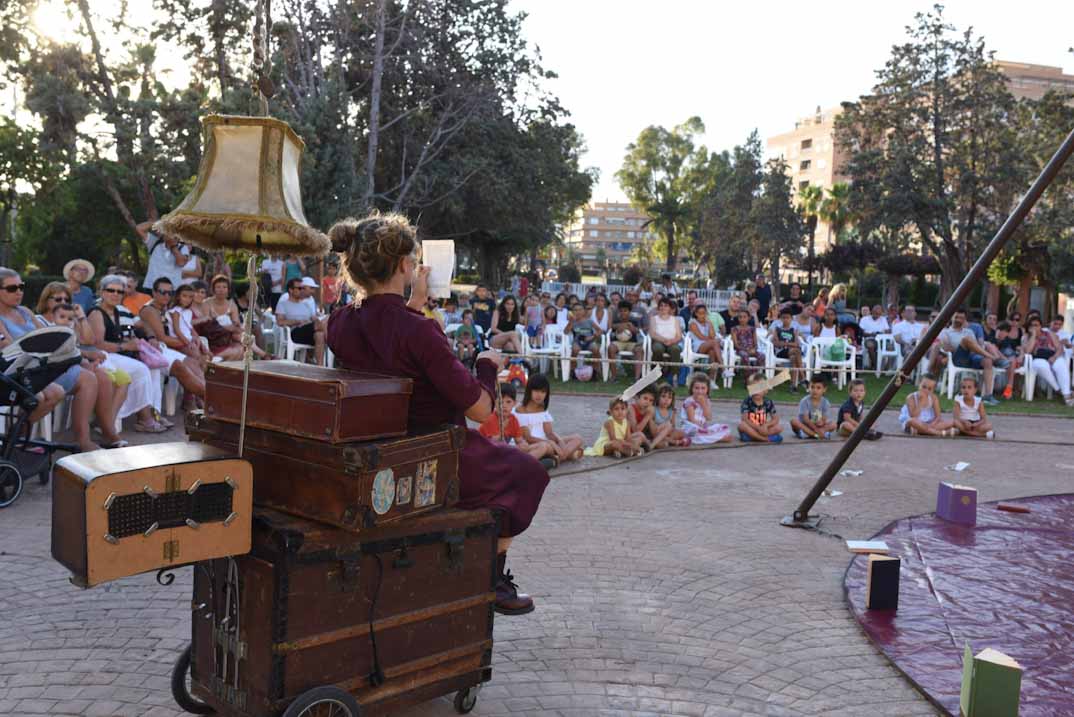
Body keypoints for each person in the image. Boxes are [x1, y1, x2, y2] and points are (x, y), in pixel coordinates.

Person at [325, 212, 548, 615]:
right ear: (405, 266)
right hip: (431, 454)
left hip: (373, 450)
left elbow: (384, 332)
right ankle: (490, 577)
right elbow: (480, 410)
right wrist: (485, 364)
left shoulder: (339, 322)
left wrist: (413, 305)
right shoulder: (419, 330)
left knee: (504, 464)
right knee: (527, 472)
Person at [36, 283, 130, 448]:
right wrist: (85, 360)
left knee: (103, 377)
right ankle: (83, 437)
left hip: (72, 365)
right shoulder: (40, 321)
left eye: (66, 299)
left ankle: (107, 430)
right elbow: (53, 353)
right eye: (58, 298)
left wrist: (80, 317)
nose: (62, 301)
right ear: (46, 299)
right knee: (91, 376)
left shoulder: (69, 319)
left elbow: (89, 340)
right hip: (55, 369)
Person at [87, 274, 169, 433]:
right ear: (102, 292)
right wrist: (126, 346)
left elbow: (140, 325)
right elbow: (98, 344)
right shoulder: (97, 313)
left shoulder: (118, 311)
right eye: (111, 290)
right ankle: (144, 419)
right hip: (102, 356)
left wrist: (148, 339)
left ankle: (151, 414)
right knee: (140, 369)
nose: (115, 294)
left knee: (151, 368)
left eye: (120, 292)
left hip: (118, 354)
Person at [138, 278, 207, 401]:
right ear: (154, 292)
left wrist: (195, 338)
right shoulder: (150, 310)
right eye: (162, 292)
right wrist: (189, 342)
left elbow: (186, 325)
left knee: (196, 361)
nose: (167, 296)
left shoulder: (167, 307)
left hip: (171, 346)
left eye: (170, 293)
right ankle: (206, 398)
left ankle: (198, 398)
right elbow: (162, 338)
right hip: (156, 349)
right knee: (192, 359)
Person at [931, 308, 1005, 406]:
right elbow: (947, 348)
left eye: (961, 318)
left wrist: (969, 347)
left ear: (965, 320)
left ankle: (988, 395)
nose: (958, 320)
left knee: (987, 361)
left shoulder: (968, 331)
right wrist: (964, 346)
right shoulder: (946, 332)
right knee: (966, 340)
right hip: (956, 359)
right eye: (956, 317)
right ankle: (993, 357)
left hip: (972, 357)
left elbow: (976, 347)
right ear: (951, 318)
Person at [478, 383, 557, 466]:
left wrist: (523, 444)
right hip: (490, 454)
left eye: (508, 402)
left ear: (514, 403)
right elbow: (493, 444)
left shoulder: (513, 419)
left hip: (506, 453)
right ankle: (529, 465)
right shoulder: (490, 419)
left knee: (543, 446)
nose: (504, 405)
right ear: (494, 403)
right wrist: (502, 430)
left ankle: (523, 464)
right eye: (500, 402)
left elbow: (519, 440)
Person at [514, 373, 584, 464]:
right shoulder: (521, 409)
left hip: (547, 441)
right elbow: (528, 438)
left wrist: (559, 441)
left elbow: (549, 433)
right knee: (545, 446)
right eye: (536, 391)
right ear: (529, 390)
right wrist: (552, 443)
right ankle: (568, 455)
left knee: (578, 438)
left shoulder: (542, 408)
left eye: (543, 392)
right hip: (534, 445)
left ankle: (559, 457)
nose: (539, 395)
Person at [204, 274, 267, 360]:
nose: (221, 290)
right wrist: (228, 326)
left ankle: (232, 370)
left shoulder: (231, 305)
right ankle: (264, 354)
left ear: (228, 290)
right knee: (240, 338)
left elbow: (236, 323)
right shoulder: (207, 303)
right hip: (213, 337)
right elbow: (207, 324)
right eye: (218, 287)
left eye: (224, 287)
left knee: (241, 345)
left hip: (230, 336)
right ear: (213, 289)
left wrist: (234, 326)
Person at [1022, 315, 1074, 405]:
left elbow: (1059, 348)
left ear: (1040, 326)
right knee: (1041, 365)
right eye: (1032, 325)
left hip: (1052, 356)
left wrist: (1054, 357)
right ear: (1029, 327)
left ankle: (1066, 395)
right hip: (1037, 358)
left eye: (1037, 325)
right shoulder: (1027, 337)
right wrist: (1034, 335)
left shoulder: (1050, 334)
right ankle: (1059, 390)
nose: (1035, 327)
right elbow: (1027, 351)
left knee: (1061, 365)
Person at [276, 277, 326, 364]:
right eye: (299, 288)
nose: (302, 290)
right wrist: (297, 321)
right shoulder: (283, 304)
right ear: (291, 290)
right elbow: (280, 322)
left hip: (308, 332)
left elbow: (315, 320)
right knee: (324, 325)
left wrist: (317, 321)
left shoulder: (306, 304)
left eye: (303, 288)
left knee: (320, 335)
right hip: (294, 333)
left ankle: (320, 366)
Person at [678, 373, 732, 444]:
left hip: (702, 428)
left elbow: (708, 418)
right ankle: (714, 438)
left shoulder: (707, 401)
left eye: (703, 388)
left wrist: (703, 404)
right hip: (691, 428)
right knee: (697, 431)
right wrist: (703, 428)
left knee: (725, 427)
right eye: (697, 388)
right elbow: (692, 420)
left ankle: (708, 437)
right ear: (692, 389)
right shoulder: (690, 401)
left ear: (707, 389)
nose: (700, 391)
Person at [739, 373, 782, 443]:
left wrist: (766, 425)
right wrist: (758, 428)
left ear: (766, 390)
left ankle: (755, 437)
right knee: (742, 425)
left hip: (763, 428)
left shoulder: (768, 402)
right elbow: (745, 419)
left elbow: (776, 419)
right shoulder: (747, 401)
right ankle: (764, 439)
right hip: (751, 428)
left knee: (779, 427)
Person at [791, 375, 837, 439]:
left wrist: (821, 422)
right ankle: (816, 435)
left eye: (818, 388)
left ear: (824, 389)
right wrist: (815, 429)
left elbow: (824, 419)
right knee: (794, 421)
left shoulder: (826, 403)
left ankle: (816, 433)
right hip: (805, 426)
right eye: (812, 387)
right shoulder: (805, 401)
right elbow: (806, 420)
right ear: (809, 387)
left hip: (818, 426)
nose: (814, 390)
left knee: (834, 424)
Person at [649, 297, 683, 383]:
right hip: (658, 341)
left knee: (676, 349)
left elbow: (679, 336)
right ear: (658, 307)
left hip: (672, 342)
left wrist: (671, 341)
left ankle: (674, 375)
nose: (663, 307)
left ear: (669, 308)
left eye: (666, 305)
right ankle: (656, 373)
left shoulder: (675, 320)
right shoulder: (654, 319)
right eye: (661, 305)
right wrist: (664, 340)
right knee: (658, 349)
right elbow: (652, 334)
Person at [770, 308, 805, 389]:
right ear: (780, 319)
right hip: (781, 352)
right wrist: (789, 344)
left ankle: (793, 385)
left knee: (793, 358)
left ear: (791, 319)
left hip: (792, 352)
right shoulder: (777, 329)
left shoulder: (794, 330)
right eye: (783, 318)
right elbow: (776, 343)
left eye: (787, 318)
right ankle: (802, 376)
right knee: (796, 351)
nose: (785, 320)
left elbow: (797, 343)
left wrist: (785, 343)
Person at [688, 304, 724, 381]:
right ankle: (723, 368)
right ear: (696, 314)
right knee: (715, 342)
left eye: (704, 313)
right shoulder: (693, 323)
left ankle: (711, 379)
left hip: (709, 345)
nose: (702, 315)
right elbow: (701, 337)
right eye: (700, 313)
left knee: (712, 352)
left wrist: (710, 324)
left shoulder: (708, 323)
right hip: (698, 346)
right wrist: (712, 341)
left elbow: (713, 335)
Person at [652, 383, 690, 447]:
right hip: (657, 433)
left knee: (681, 433)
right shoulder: (654, 410)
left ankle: (668, 441)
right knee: (667, 426)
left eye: (669, 397)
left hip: (667, 434)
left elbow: (673, 426)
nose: (666, 400)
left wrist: (673, 430)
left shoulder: (671, 411)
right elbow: (653, 428)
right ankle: (674, 442)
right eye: (663, 396)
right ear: (657, 397)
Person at [611, 301, 642, 380]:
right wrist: (619, 326)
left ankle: (637, 378)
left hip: (631, 343)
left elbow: (637, 331)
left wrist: (632, 328)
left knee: (639, 350)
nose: (623, 313)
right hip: (618, 342)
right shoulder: (616, 320)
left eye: (625, 311)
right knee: (611, 348)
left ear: (629, 312)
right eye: (621, 311)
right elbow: (612, 327)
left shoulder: (633, 321)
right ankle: (614, 376)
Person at [730, 310, 760, 380]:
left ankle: (754, 375)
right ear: (738, 318)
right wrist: (746, 350)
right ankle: (747, 378)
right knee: (745, 356)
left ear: (749, 318)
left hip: (752, 350)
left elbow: (756, 343)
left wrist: (754, 349)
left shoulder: (752, 329)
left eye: (744, 317)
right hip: (740, 350)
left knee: (762, 356)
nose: (742, 319)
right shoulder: (734, 329)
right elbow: (736, 345)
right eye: (740, 317)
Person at [859, 304, 890, 368]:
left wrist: (882, 333)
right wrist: (872, 334)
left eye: (878, 313)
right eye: (875, 312)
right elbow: (861, 332)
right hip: (869, 338)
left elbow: (888, 330)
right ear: (871, 311)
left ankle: (888, 367)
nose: (877, 314)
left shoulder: (883, 319)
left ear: (881, 313)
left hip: (881, 339)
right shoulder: (864, 319)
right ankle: (876, 365)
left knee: (891, 347)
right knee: (870, 345)